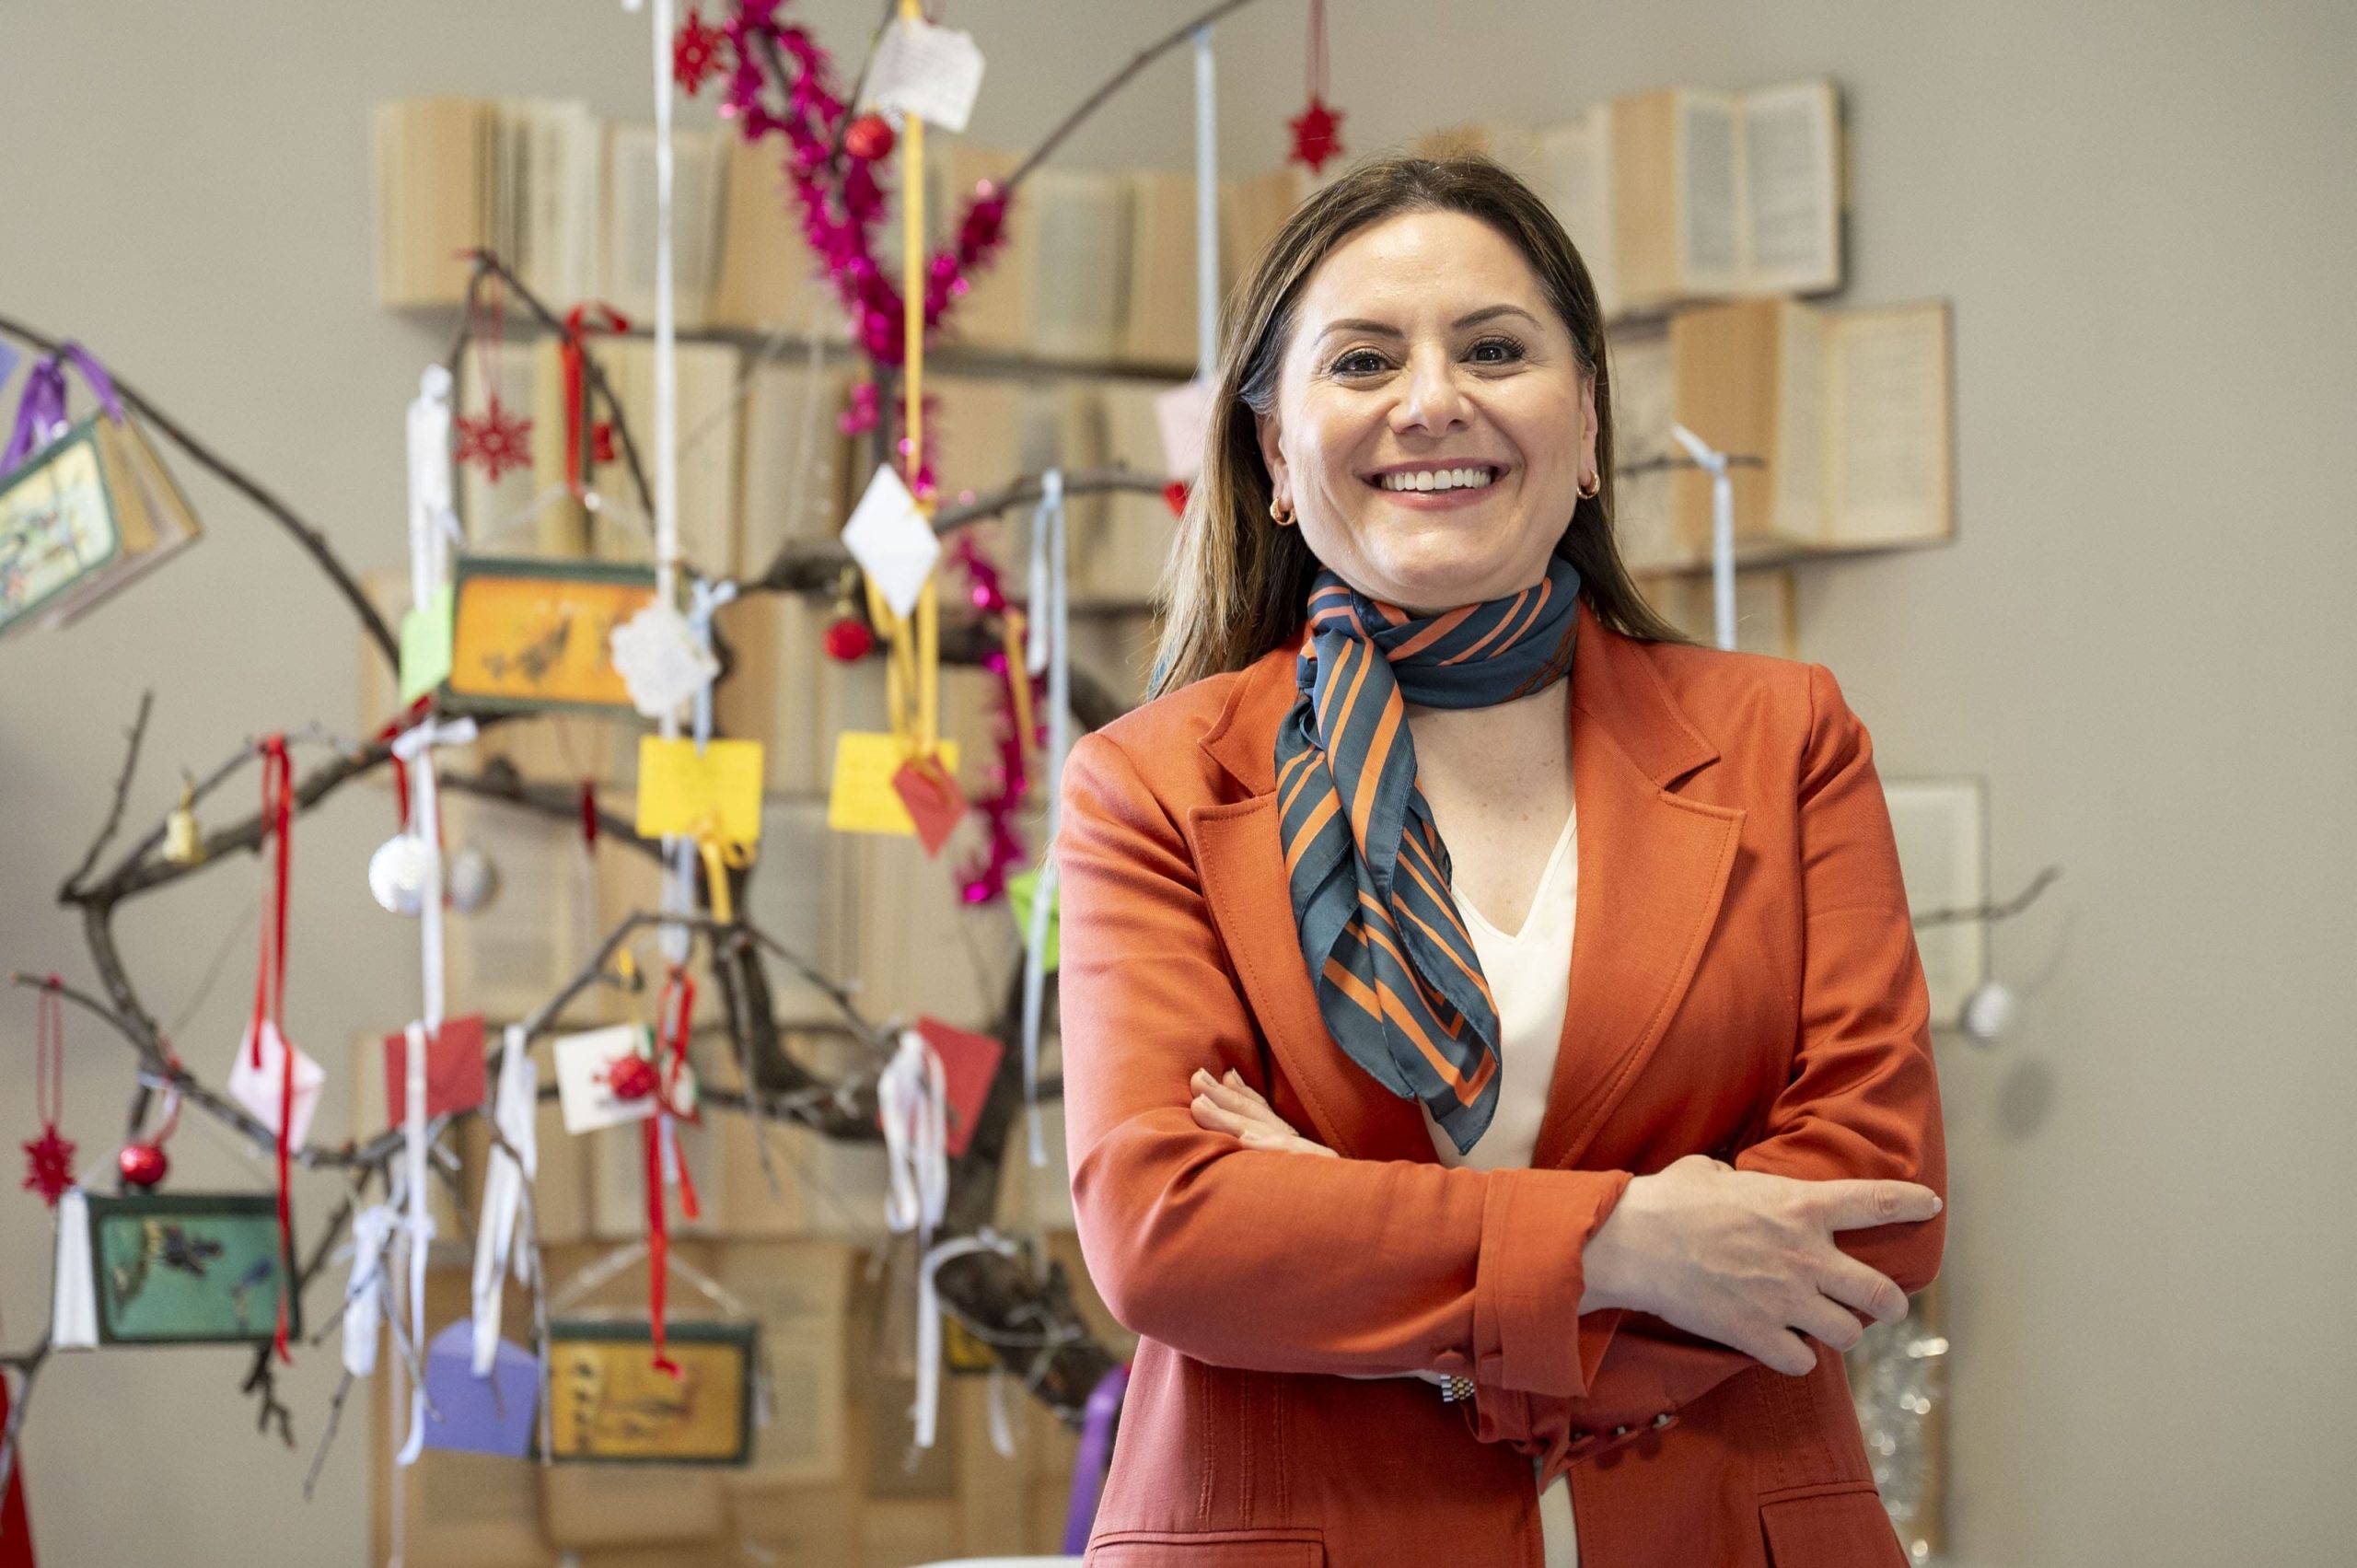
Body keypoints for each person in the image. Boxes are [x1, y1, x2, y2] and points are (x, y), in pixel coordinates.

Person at [1056, 154, 1945, 1568]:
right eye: (1362, 360)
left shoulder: (1785, 739)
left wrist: (1364, 1262)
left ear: (1585, 424)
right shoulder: (1150, 785)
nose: (1431, 401)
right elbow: (1171, 1234)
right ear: (1277, 454)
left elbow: (1874, 1205)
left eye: (1493, 350)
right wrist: (1625, 1246)